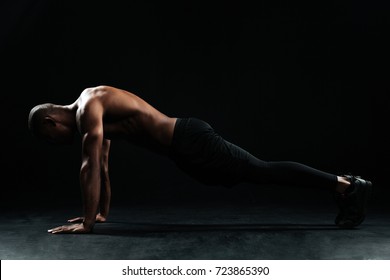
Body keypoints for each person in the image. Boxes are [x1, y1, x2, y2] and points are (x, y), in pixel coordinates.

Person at [28, 85, 373, 234]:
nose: (56, 143)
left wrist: (86, 225)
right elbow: (101, 165)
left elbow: (88, 166)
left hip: (190, 139)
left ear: (50, 122)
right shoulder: (94, 117)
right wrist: (100, 214)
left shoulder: (90, 106)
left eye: (49, 138)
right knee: (255, 173)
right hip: (186, 150)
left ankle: (346, 185)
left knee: (262, 171)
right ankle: (344, 185)